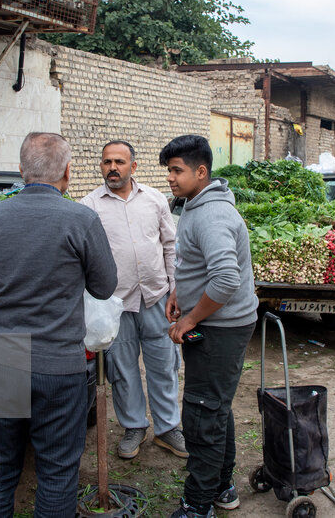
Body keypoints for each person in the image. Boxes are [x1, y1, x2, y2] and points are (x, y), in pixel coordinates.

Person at [0, 132, 119, 518]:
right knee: (58, 472)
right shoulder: (82, 219)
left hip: (2, 361)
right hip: (58, 365)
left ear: (21, 171)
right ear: (67, 172)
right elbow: (105, 286)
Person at [159, 135, 259, 518]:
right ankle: (222, 486)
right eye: (169, 170)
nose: (170, 177)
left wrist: (191, 318)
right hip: (218, 324)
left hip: (221, 330)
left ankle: (197, 506)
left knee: (202, 414)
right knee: (215, 407)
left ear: (201, 172)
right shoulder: (196, 204)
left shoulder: (212, 215)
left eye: (177, 170)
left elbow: (226, 279)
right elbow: (197, 263)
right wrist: (179, 292)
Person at [80, 141, 186, 460]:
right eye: (107, 162)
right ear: (101, 166)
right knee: (123, 371)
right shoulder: (89, 206)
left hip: (156, 298)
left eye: (120, 162)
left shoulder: (154, 199)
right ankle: (134, 427)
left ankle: (168, 429)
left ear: (133, 166)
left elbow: (170, 245)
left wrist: (175, 288)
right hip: (116, 304)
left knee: (164, 366)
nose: (113, 167)